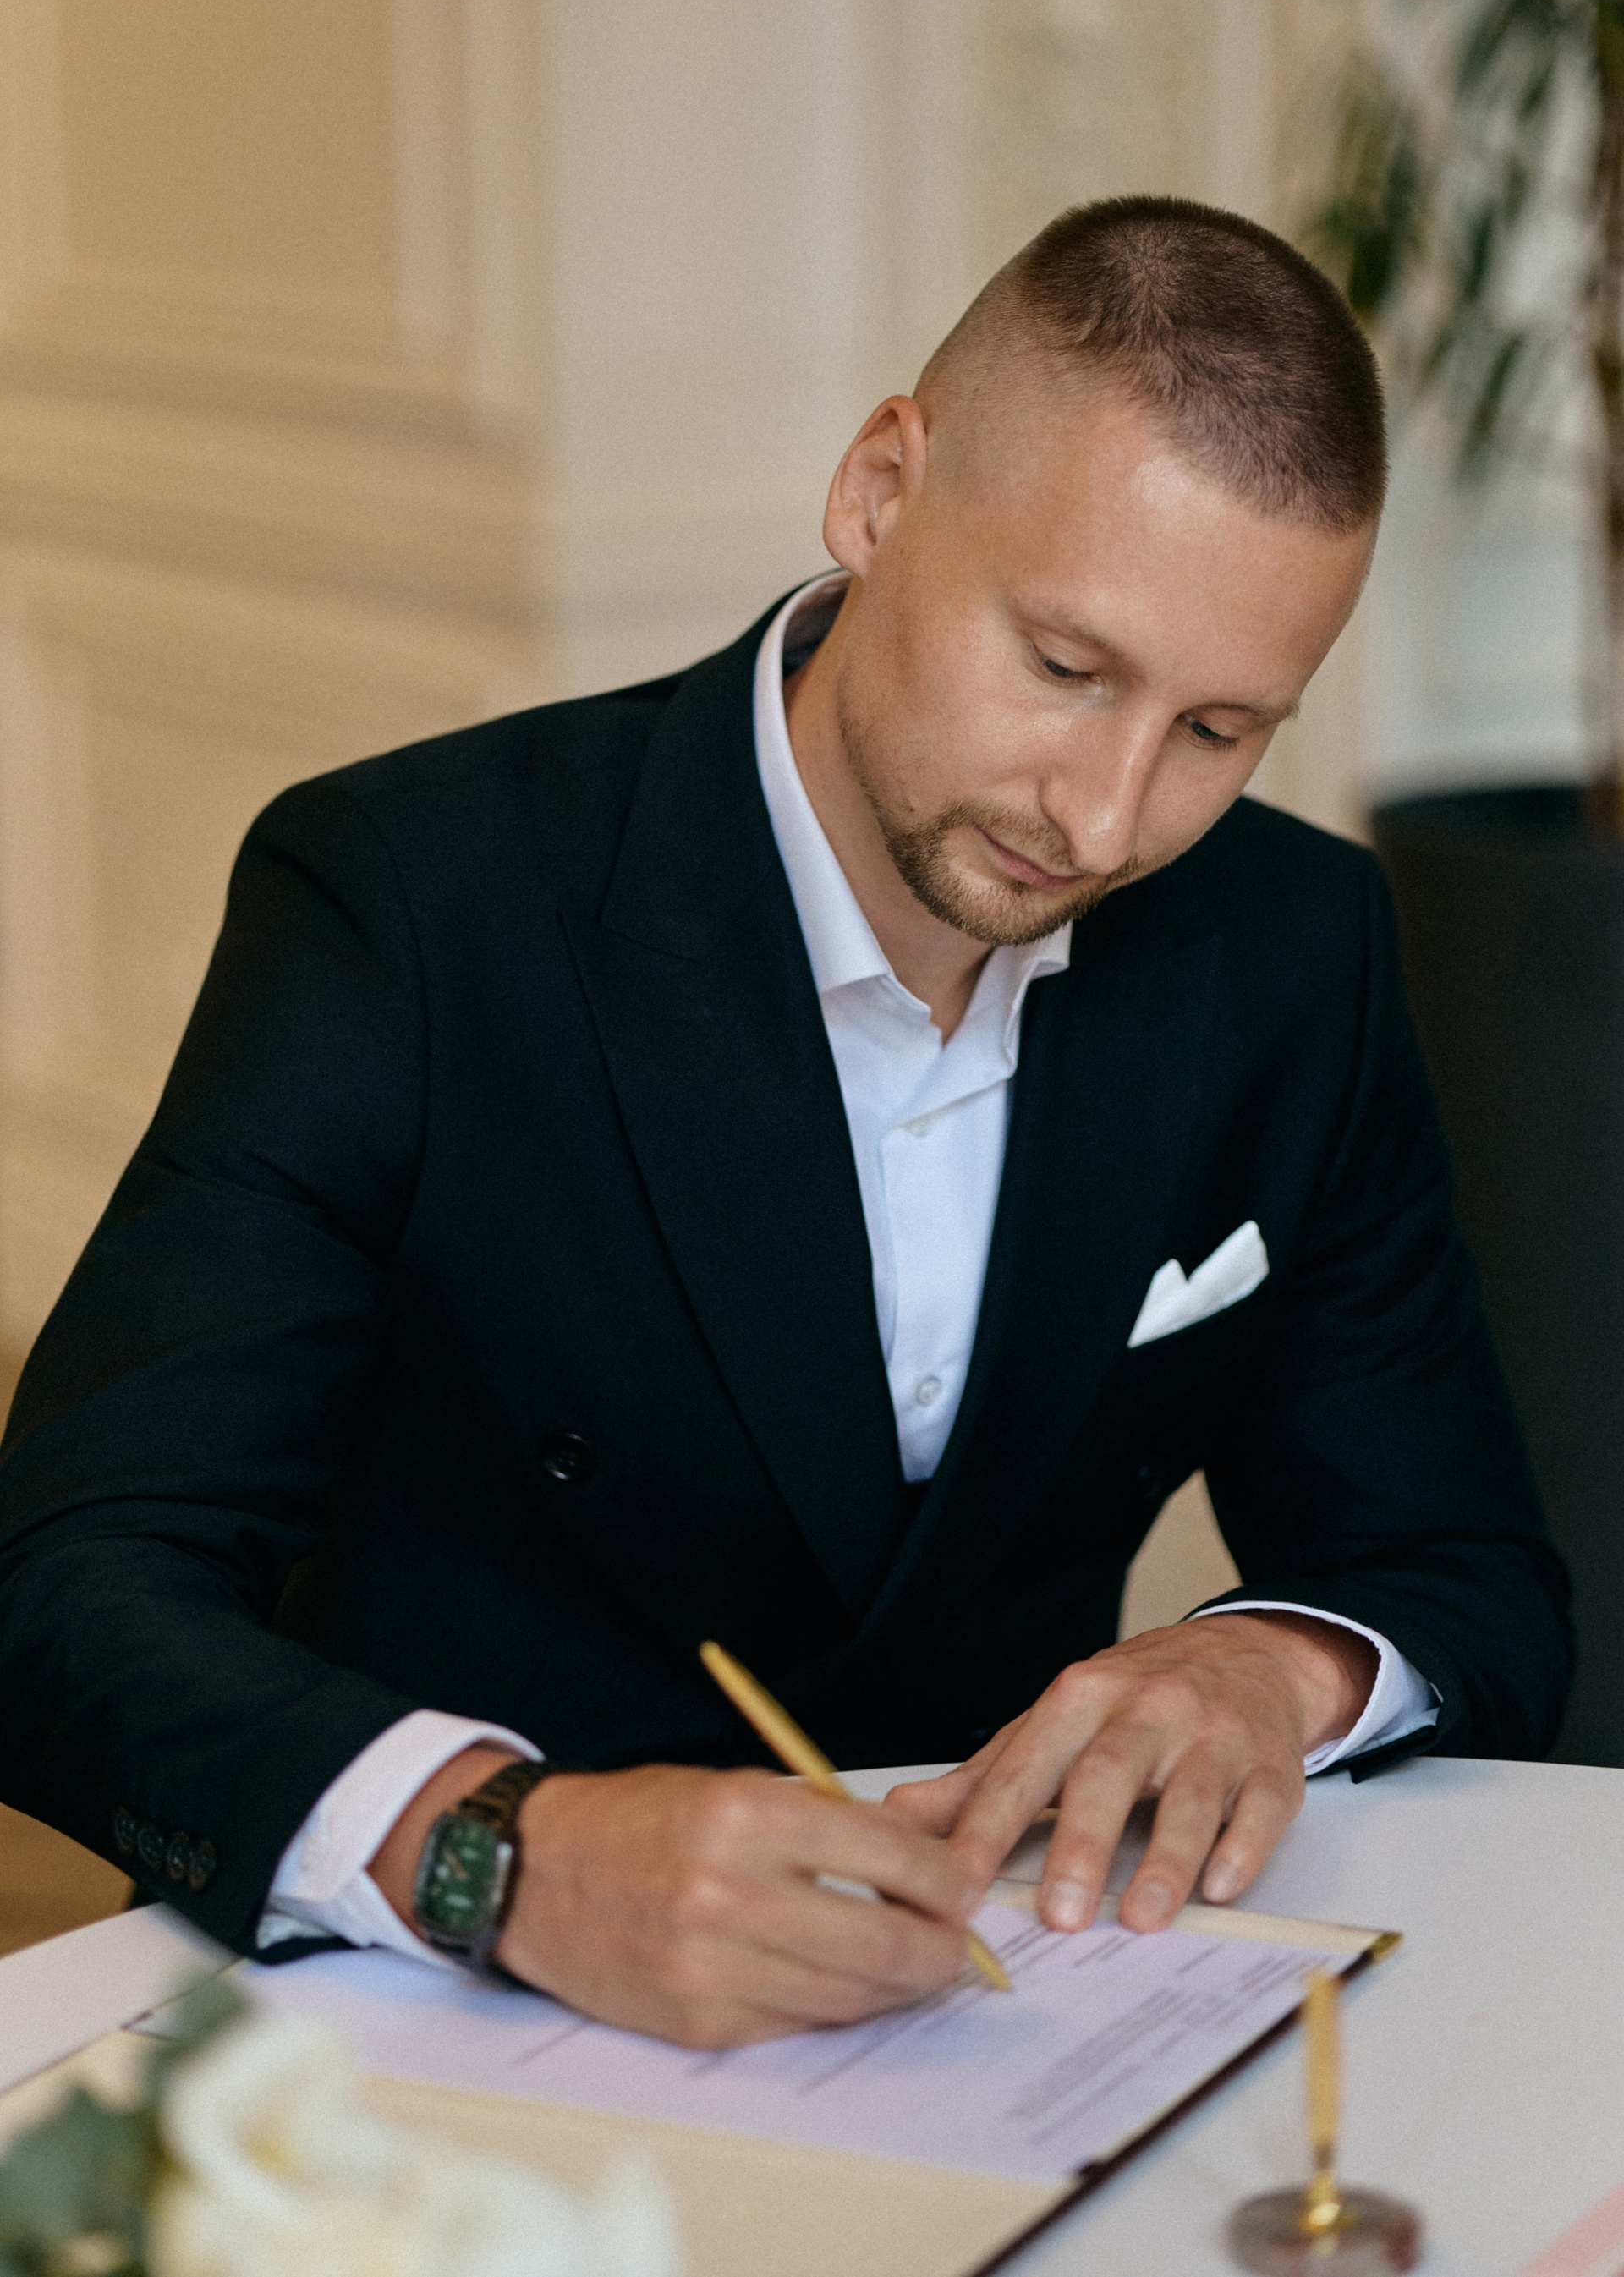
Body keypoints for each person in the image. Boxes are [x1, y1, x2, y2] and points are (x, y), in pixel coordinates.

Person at [0, 199, 1569, 2049]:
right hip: (440, 2015)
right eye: (1065, 667)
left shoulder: (1296, 943)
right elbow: (66, 1588)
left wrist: (1270, 1665)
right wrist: (503, 1853)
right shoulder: (414, 900)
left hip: (986, 2018)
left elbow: (1463, 1570)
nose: (1104, 815)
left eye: (1219, 732)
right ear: (880, 490)